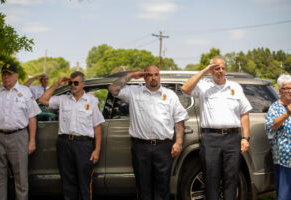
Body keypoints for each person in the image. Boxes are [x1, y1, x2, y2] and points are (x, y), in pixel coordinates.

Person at [108, 65, 189, 200]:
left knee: (162, 187)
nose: (153, 78)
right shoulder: (134, 92)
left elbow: (179, 119)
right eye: (149, 75)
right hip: (141, 147)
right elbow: (113, 89)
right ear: (144, 77)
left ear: (159, 76)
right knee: (143, 187)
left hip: (163, 147)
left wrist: (179, 142)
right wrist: (131, 76)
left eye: (156, 74)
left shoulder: (170, 95)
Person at [181, 56, 252, 200]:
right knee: (211, 178)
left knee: (231, 178)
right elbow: (185, 89)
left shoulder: (235, 87)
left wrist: (245, 137)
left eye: (222, 68)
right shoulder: (203, 86)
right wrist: (204, 70)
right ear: (211, 71)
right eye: (216, 68)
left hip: (232, 138)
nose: (220, 71)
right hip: (210, 139)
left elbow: (244, 113)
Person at [38, 71, 104, 200]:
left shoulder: (91, 101)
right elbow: (42, 100)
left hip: (83, 145)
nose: (73, 85)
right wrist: (56, 84)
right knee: (68, 183)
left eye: (76, 83)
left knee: (84, 183)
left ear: (83, 84)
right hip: (64, 144)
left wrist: (97, 150)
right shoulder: (62, 99)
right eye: (70, 83)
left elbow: (98, 126)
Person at [0, 63, 41, 200]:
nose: (6, 77)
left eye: (9, 74)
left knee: (21, 179)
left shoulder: (25, 91)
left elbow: (32, 117)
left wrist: (32, 141)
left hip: (18, 137)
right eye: (4, 74)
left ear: (16, 75)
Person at [265, 74, 291, 200]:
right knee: (284, 194)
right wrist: (287, 114)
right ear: (280, 91)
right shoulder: (275, 107)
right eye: (286, 88)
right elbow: (271, 126)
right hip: (284, 159)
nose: (290, 91)